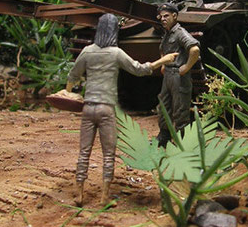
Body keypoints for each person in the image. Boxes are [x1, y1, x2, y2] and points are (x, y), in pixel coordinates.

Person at [66, 13, 178, 207]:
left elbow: (73, 75)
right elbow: (139, 69)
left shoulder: (87, 51)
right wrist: (163, 60)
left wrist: (67, 94)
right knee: (108, 154)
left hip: (88, 107)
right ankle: (104, 197)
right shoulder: (116, 53)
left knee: (84, 152)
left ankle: (79, 193)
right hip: (106, 109)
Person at [155, 3, 201, 147]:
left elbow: (194, 50)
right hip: (169, 75)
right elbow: (163, 49)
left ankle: (183, 142)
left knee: (180, 109)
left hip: (178, 76)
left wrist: (186, 67)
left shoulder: (180, 32)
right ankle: (164, 136)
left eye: (166, 16)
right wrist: (163, 64)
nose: (163, 19)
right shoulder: (168, 33)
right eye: (161, 16)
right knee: (163, 106)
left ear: (175, 16)